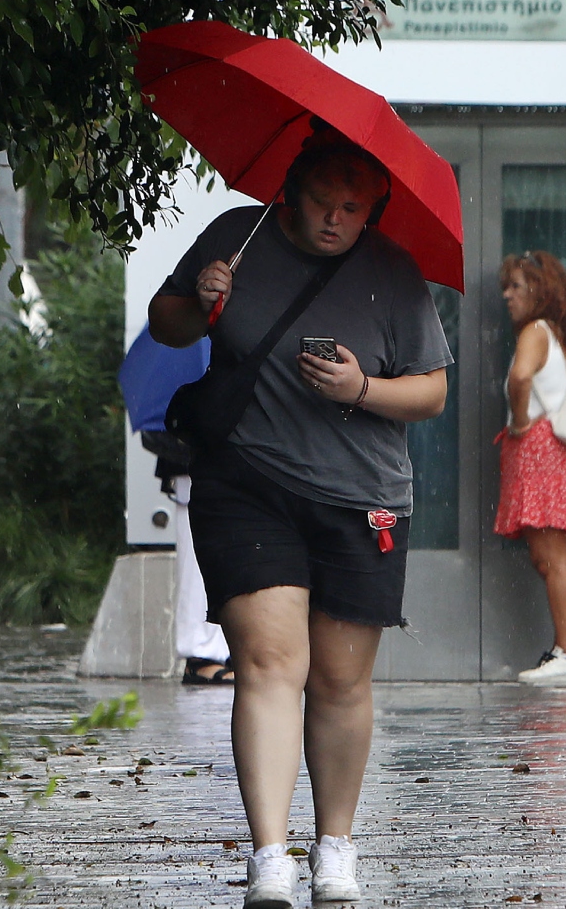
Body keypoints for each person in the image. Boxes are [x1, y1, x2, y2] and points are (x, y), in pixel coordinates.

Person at [148, 128, 451, 909]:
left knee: (341, 680)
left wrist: (361, 389)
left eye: (353, 207)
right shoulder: (238, 235)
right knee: (268, 662)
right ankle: (269, 856)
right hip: (248, 483)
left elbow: (431, 392)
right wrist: (201, 299)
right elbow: (166, 322)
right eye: (322, 201)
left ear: (374, 206)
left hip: (362, 495)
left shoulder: (392, 271)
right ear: (292, 189)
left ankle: (335, 846)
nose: (335, 219)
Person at [494, 250, 566, 684]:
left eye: (515, 286)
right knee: (555, 559)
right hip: (560, 453)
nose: (507, 295)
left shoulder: (535, 331)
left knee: (555, 559)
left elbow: (520, 377)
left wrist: (520, 422)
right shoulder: (558, 334)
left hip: (542, 451)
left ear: (539, 291)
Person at [119, 329, 234, 684]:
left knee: (217, 559)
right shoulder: (194, 343)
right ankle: (202, 653)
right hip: (196, 462)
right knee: (199, 562)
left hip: (215, 461)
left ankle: (215, 650)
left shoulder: (193, 345)